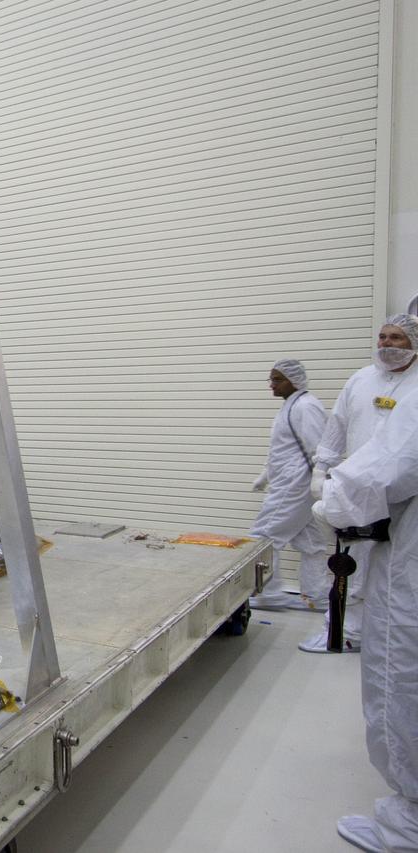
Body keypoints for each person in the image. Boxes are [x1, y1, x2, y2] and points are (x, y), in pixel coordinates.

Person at [316, 390, 418, 853]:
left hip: (409, 563)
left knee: (400, 677)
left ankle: (408, 825)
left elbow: (385, 469)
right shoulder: (361, 383)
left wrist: (328, 500)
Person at [304, 314, 418, 653]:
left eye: (396, 337)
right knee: (348, 566)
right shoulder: (361, 379)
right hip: (356, 491)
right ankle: (342, 634)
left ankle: (385, 639)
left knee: (392, 571)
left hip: (403, 498)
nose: (386, 343)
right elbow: (337, 424)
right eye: (382, 337)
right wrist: (321, 468)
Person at [248, 359, 331, 611]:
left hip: (296, 484)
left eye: (277, 379)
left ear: (294, 380)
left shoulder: (306, 406)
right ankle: (316, 595)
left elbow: (319, 446)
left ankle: (268, 594)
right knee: (311, 542)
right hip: (291, 481)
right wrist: (266, 473)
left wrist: (321, 477)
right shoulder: (290, 406)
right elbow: (284, 447)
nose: (271, 385)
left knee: (264, 537)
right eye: (271, 379)